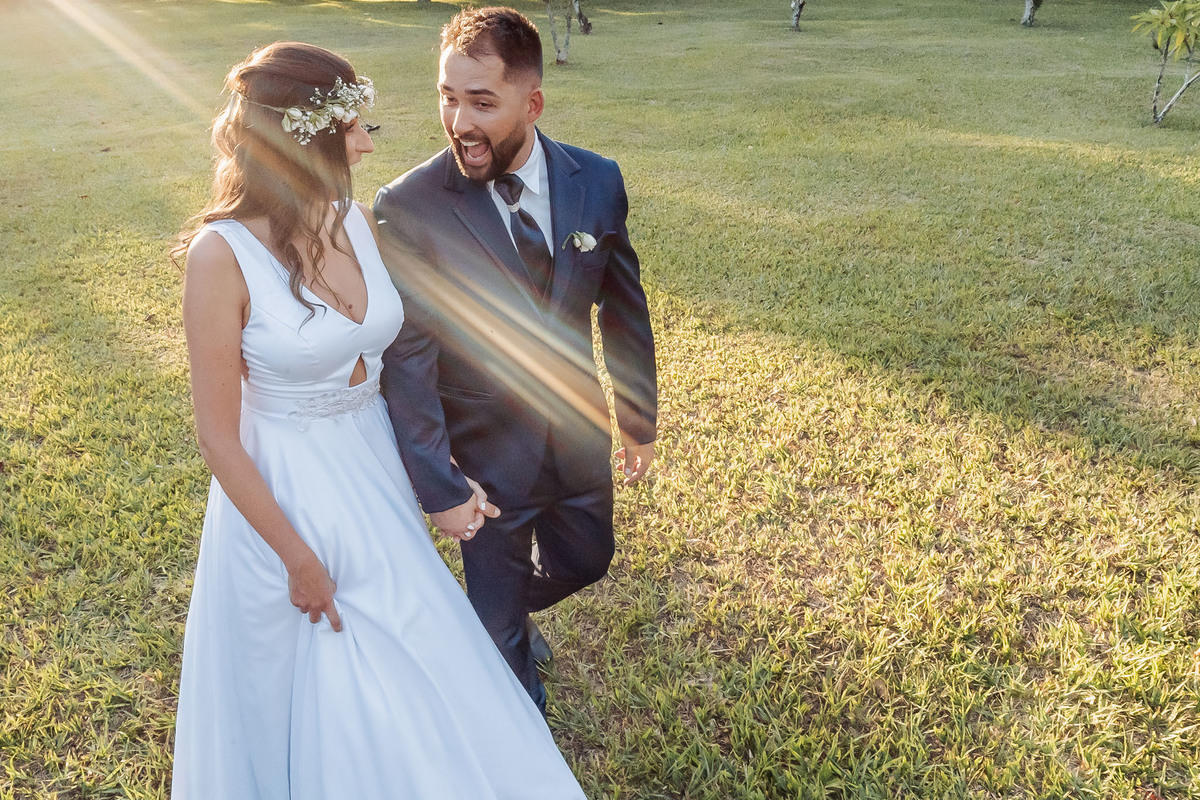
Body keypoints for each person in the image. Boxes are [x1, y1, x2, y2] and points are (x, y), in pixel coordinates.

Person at [171, 41, 586, 799]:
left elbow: (407, 365)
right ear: (306, 137)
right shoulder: (219, 256)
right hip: (286, 487)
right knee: (331, 675)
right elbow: (217, 437)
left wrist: (442, 477)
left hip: (373, 469)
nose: (368, 141)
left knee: (419, 642)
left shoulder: (356, 220)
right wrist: (296, 557)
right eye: (354, 127)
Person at [373, 7, 658, 715]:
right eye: (447, 97)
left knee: (591, 560)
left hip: (578, 434)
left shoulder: (596, 180)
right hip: (485, 466)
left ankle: (469, 626)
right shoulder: (409, 208)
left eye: (481, 102)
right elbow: (407, 362)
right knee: (502, 646)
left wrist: (637, 418)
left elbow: (622, 306)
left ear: (531, 103)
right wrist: (440, 485)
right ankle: (519, 742)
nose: (459, 122)